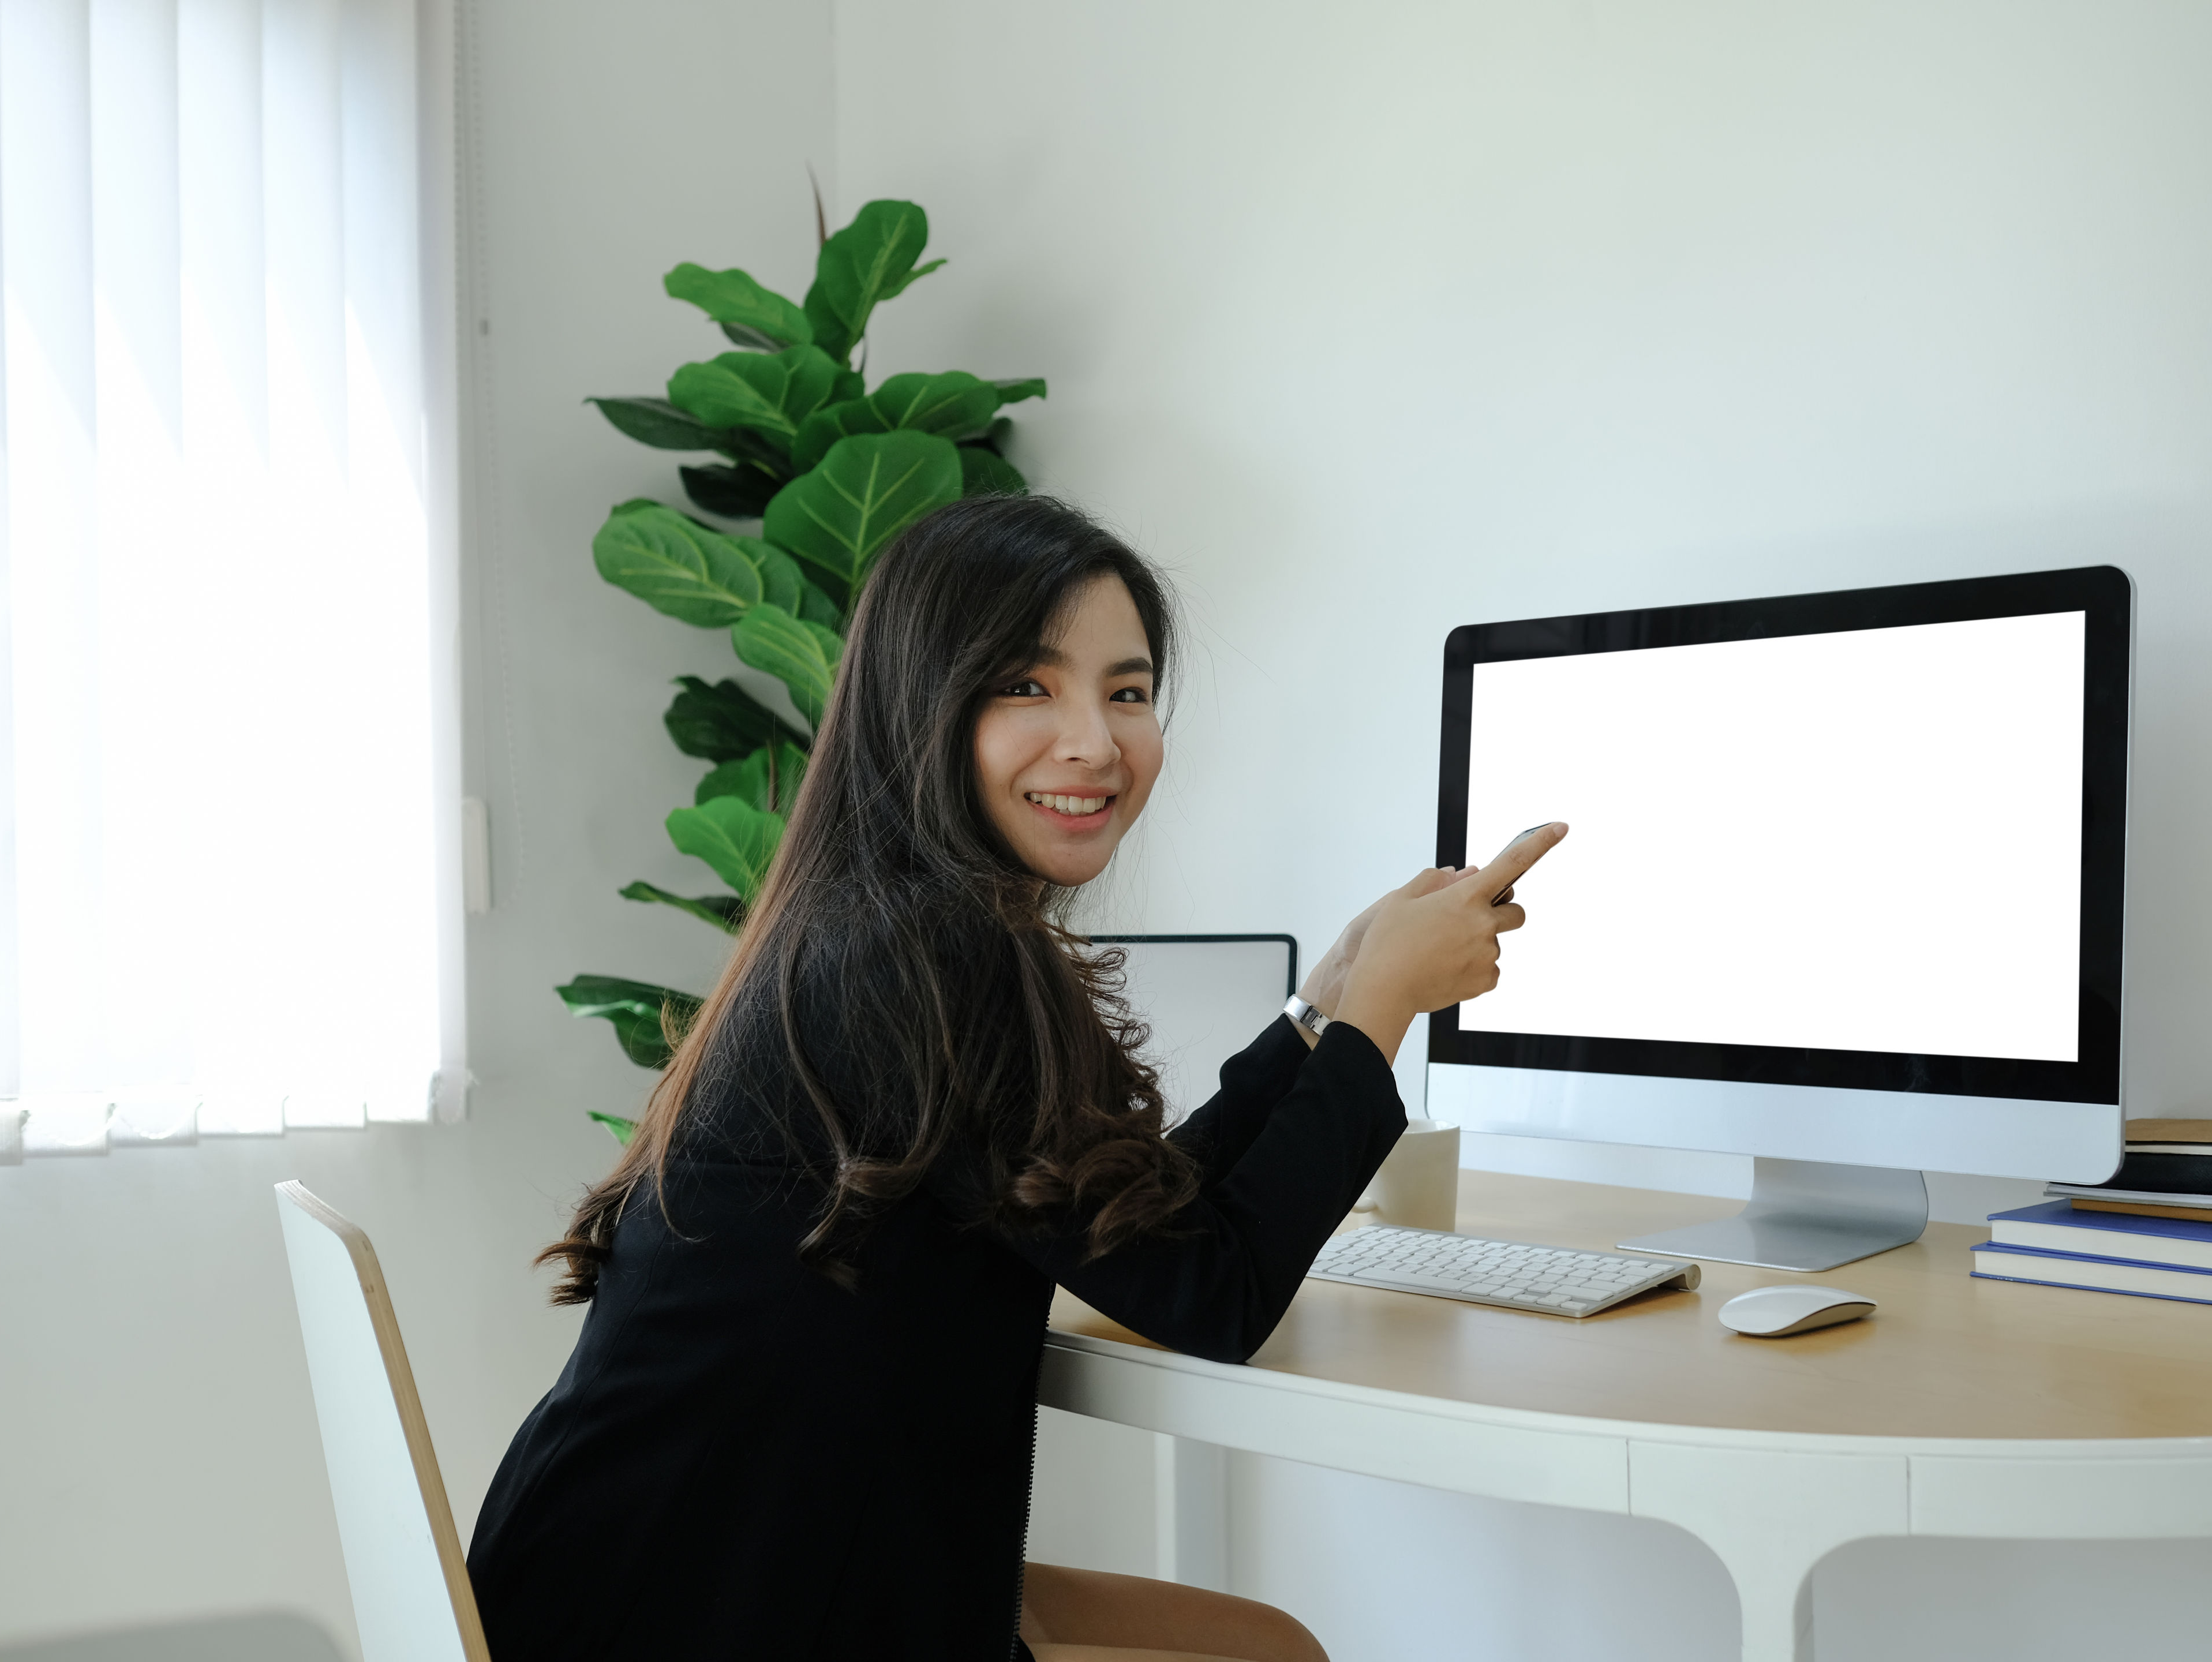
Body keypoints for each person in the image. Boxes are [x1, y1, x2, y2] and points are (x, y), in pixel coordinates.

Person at [467, 495, 1565, 1661]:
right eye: (1026, 686)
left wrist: (1323, 1007)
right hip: (716, 1607)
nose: (1095, 741)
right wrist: (1383, 1015)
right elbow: (1216, 1296)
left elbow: (1132, 1222)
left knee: (1269, 1644)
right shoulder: (931, 959)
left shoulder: (881, 927)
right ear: (923, 710)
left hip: (676, 1568)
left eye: (1128, 692)